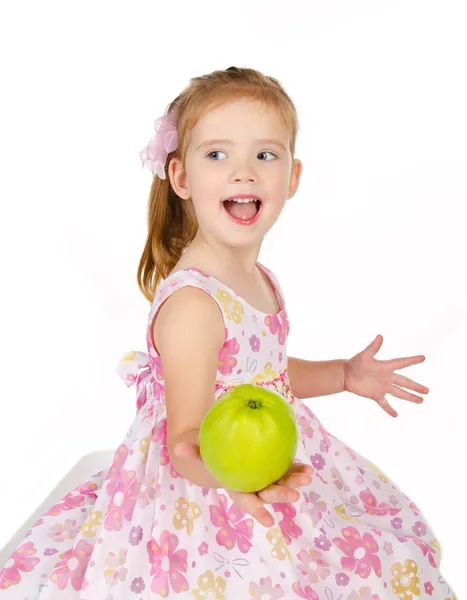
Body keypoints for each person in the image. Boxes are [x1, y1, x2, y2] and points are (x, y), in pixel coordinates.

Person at [0, 66, 456, 600]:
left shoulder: (259, 278)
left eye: (265, 155)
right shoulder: (194, 306)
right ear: (181, 178)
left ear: (293, 177)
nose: (244, 172)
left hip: (261, 452)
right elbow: (184, 445)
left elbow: (264, 378)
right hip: (207, 484)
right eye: (218, 154)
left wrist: (342, 375)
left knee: (361, 546)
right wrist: (241, 482)